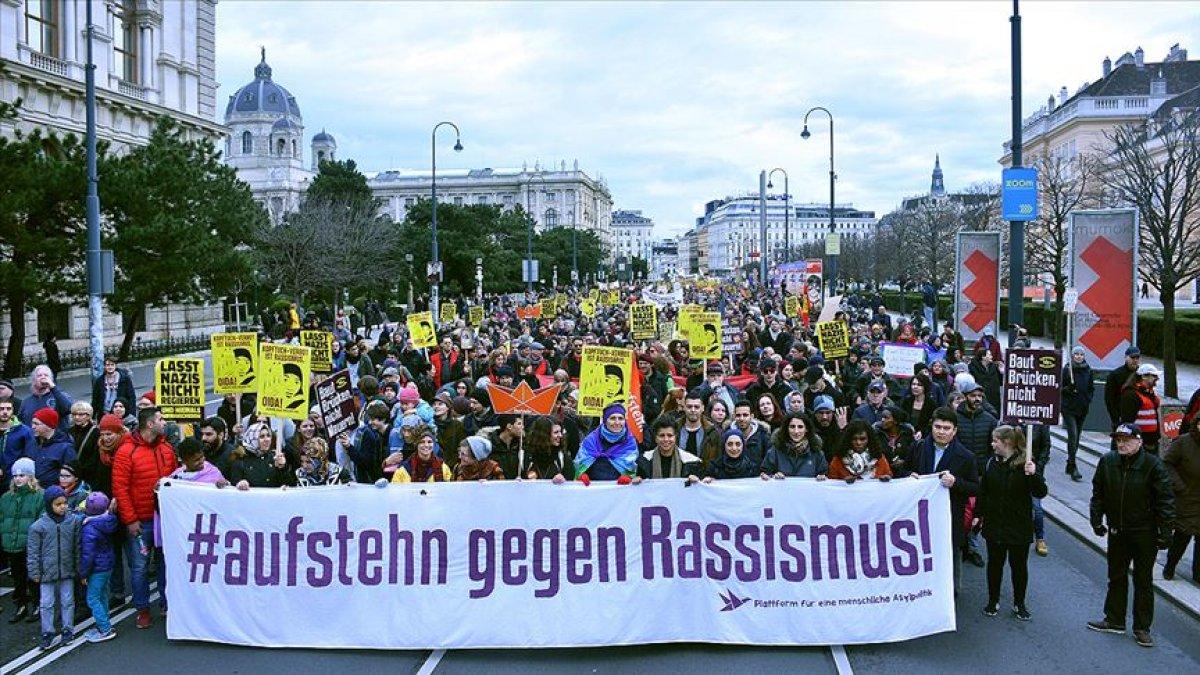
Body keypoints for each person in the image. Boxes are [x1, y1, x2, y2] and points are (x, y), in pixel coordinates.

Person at [1087, 424, 1175, 647]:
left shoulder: (1153, 465)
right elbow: (1098, 494)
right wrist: (1096, 519)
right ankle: (1115, 619)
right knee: (1116, 576)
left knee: (1143, 581)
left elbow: (1165, 500)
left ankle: (1142, 627)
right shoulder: (1108, 462)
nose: (1121, 444)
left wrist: (1166, 532)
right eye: (1118, 440)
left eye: (1126, 440)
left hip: (1144, 533)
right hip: (1118, 531)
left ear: (1139, 442)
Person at [900, 406, 980, 593]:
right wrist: (909, 475)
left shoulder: (966, 457)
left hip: (950, 517)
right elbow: (903, 470)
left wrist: (956, 482)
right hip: (919, 515)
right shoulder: (918, 447)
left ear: (954, 431)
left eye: (946, 428)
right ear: (932, 427)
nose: (941, 432)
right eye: (938, 427)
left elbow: (975, 487)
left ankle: (950, 593)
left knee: (949, 555)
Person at [112, 406, 175, 630]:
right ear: (150, 424)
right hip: (141, 521)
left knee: (165, 563)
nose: (165, 422)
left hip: (163, 520)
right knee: (139, 567)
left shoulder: (167, 449)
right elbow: (120, 488)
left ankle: (167, 604)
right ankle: (143, 609)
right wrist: (130, 520)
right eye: (160, 419)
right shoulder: (126, 452)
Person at [978, 425, 1048, 621]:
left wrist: (1033, 474)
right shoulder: (991, 463)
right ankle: (993, 600)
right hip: (995, 524)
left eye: (995, 441)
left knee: (1019, 567)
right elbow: (984, 491)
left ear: (1007, 443)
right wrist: (979, 514)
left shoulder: (1025, 465)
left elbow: (1040, 492)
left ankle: (1019, 603)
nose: (992, 444)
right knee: (994, 565)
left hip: (1018, 526)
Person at [28, 485, 81, 650]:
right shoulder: (38, 527)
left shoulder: (72, 521)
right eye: (58, 504)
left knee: (67, 601)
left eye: (64, 503)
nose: (63, 507)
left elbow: (77, 547)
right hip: (46, 571)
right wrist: (34, 572)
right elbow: (33, 553)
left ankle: (67, 630)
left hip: (67, 569)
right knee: (46, 603)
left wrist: (79, 567)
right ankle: (47, 633)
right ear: (49, 505)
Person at [1, 457, 42, 624]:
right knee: (18, 577)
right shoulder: (6, 498)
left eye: (22, 475)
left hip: (30, 545)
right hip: (12, 543)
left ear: (31, 477)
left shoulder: (39, 496)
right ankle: (21, 604)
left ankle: (37, 604)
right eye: (16, 476)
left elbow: (41, 520)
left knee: (33, 577)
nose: (18, 479)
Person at [1162, 417, 1200, 583]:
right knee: (1182, 535)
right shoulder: (1183, 442)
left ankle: (1198, 574)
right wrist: (1180, 486)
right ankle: (1170, 565)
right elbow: (1166, 464)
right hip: (1187, 496)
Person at [79, 491, 120, 643]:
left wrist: (83, 573)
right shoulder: (109, 521)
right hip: (108, 565)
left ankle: (105, 629)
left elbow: (87, 555)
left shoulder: (89, 528)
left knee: (92, 598)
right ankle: (105, 623)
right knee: (102, 594)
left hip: (96, 569)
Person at [575, 404, 638, 483]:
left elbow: (631, 469)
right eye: (612, 418)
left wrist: (628, 476)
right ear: (605, 420)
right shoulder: (591, 440)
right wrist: (581, 474)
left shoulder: (630, 442)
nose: (617, 422)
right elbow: (579, 464)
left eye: (621, 418)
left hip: (620, 490)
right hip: (592, 489)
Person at [1062, 346, 1094, 482]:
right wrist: (1068, 389)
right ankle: (1073, 465)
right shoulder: (1067, 370)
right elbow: (1060, 388)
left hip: (1082, 408)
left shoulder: (1088, 370)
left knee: (1077, 437)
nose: (1079, 356)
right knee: (1073, 435)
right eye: (1076, 354)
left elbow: (1091, 387)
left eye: (1081, 354)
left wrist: (1088, 399)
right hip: (1069, 408)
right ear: (1073, 356)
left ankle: (1070, 463)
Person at [761, 412, 827, 479]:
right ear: (787, 429)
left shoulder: (817, 453)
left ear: (806, 429)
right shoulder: (775, 451)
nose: (796, 431)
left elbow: (824, 476)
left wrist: (821, 477)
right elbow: (765, 474)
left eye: (800, 427)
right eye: (792, 427)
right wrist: (773, 476)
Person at [635, 417, 702, 481]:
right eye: (662, 435)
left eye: (670, 435)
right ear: (655, 438)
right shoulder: (645, 460)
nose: (666, 439)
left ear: (676, 437)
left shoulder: (691, 462)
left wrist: (695, 480)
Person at [827, 420, 893, 482]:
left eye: (862, 439)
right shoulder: (838, 459)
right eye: (854, 439)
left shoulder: (879, 457)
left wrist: (886, 478)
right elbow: (831, 484)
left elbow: (888, 475)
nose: (858, 443)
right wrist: (843, 482)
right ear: (848, 439)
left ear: (869, 439)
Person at [1119, 363, 1162, 454]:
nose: (1157, 379)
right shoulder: (1131, 395)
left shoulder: (1149, 393)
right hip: (1140, 443)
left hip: (1151, 441)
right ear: (1144, 376)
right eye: (1154, 376)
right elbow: (1127, 420)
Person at [28, 408, 76, 489]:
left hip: (53, 494)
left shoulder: (65, 447)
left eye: (36, 424)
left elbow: (71, 476)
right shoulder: (34, 442)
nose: (33, 427)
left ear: (49, 426)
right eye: (32, 423)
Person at [18, 365, 73, 433]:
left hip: (56, 441)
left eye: (46, 375)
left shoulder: (59, 395)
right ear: (34, 380)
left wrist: (53, 387)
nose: (43, 377)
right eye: (39, 375)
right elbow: (20, 423)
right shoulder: (26, 402)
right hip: (34, 441)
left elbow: (69, 408)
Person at [523, 417, 573, 481]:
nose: (560, 435)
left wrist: (563, 479)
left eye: (560, 431)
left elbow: (570, 482)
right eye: (556, 432)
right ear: (544, 434)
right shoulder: (525, 456)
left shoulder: (562, 458)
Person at [1104, 347, 1141, 430]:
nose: (1135, 360)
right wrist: (1115, 418)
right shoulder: (1115, 375)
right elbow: (1109, 399)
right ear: (1126, 358)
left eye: (1137, 358)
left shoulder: (1142, 374)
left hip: (1139, 417)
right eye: (1132, 357)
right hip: (1121, 417)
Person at [0, 397, 36, 482]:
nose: (5, 412)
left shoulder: (24, 431)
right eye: (1, 409)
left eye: (8, 409)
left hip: (15, 479)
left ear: (12, 410)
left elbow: (29, 457)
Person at [90, 357, 136, 422]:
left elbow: (131, 398)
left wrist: (132, 415)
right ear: (104, 367)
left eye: (112, 365)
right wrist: (92, 416)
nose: (110, 367)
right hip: (104, 414)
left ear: (115, 366)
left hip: (120, 414)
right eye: (108, 365)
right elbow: (95, 400)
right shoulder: (99, 381)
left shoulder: (125, 379)